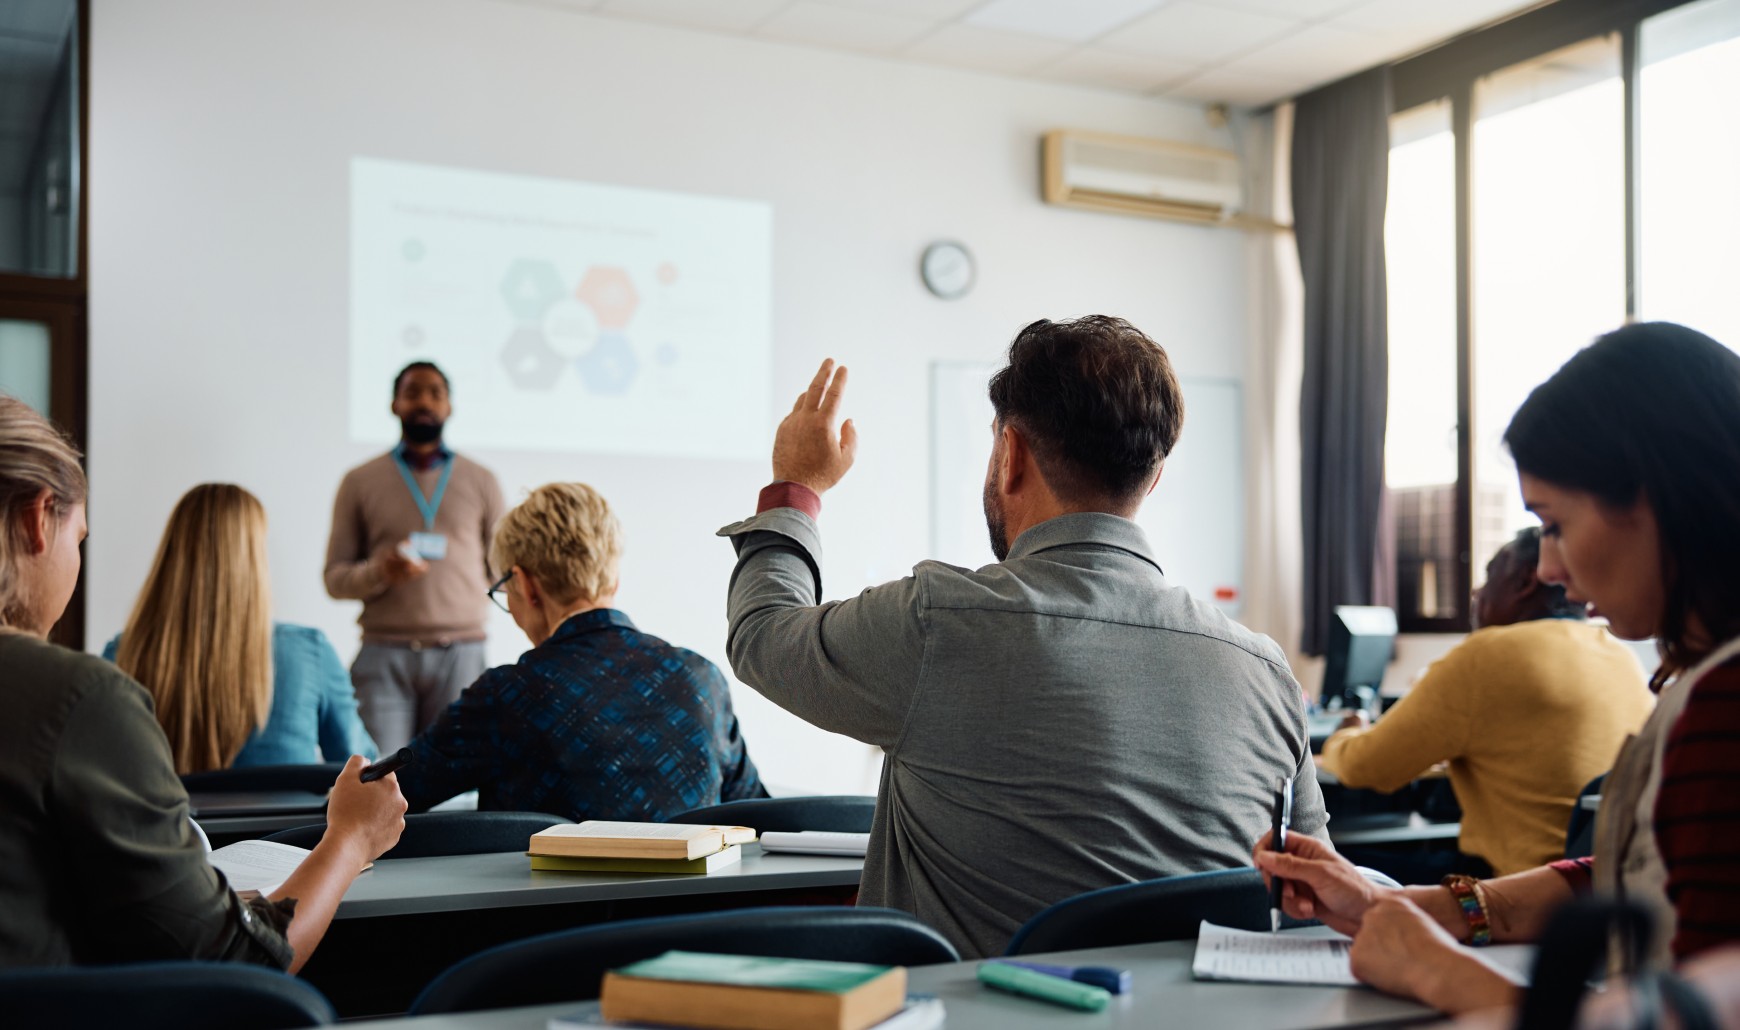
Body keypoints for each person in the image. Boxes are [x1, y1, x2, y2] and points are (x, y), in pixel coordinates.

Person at [717, 316, 1326, 958]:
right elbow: (1317, 892)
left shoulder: (942, 623)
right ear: (1152, 477)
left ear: (1011, 454)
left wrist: (798, 488)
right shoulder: (1266, 673)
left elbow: (762, 633)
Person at [1253, 322, 1740, 1016]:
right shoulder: (1684, 674)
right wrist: (1400, 905)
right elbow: (1638, 879)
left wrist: (1437, 971)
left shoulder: (1726, 702)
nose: (1547, 568)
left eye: (1555, 524)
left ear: (1654, 497)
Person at [0, 396, 404, 970]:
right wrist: (352, 838)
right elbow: (235, 957)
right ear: (38, 520)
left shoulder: (122, 654)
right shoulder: (79, 697)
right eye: (81, 537)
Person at [394, 482, 766, 820]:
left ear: (524, 585)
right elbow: (757, 813)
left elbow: (385, 797)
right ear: (614, 577)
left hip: (548, 898)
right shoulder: (701, 680)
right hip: (692, 898)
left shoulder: (507, 695)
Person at [1319, 527, 1653, 879]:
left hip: (1511, 885)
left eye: (1489, 575)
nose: (1477, 591)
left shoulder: (1488, 654)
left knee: (1324, 851)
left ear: (1526, 581)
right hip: (1597, 881)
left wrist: (1343, 736)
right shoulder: (1620, 655)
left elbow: (1366, 769)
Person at [103, 483, 378, 774]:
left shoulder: (123, 655)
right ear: (254, 558)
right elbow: (364, 768)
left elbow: (102, 768)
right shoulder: (310, 652)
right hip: (285, 822)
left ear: (171, 556)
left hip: (169, 822)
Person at [324, 361, 506, 753]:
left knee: (458, 788)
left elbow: (505, 571)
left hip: (462, 654)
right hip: (384, 655)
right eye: (412, 392)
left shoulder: (482, 480)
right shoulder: (360, 481)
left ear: (450, 407)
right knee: (379, 780)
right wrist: (379, 572)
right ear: (394, 404)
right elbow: (334, 578)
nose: (424, 401)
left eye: (435, 393)